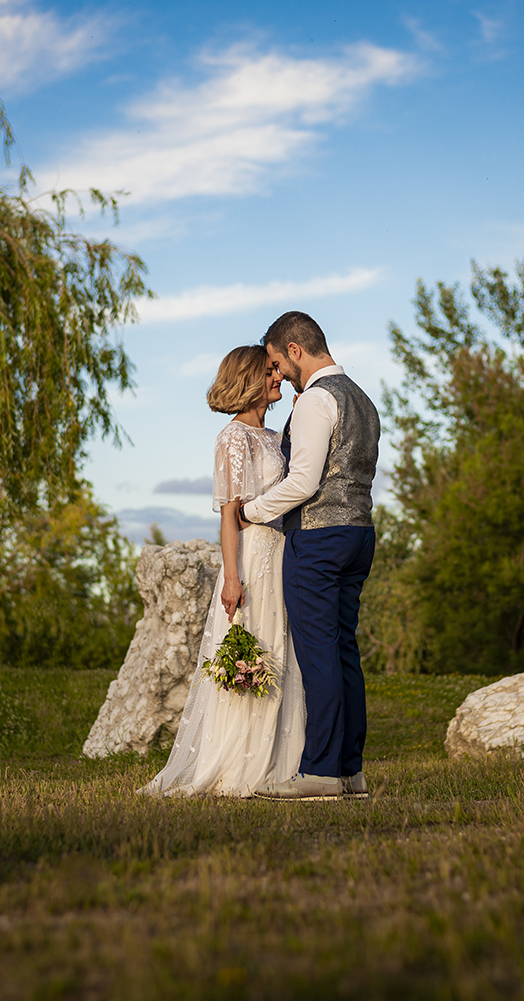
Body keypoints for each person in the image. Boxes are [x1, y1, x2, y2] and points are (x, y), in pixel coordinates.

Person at [142, 346, 306, 797]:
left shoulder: (274, 436)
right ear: (251, 378)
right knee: (251, 650)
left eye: (277, 369)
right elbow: (229, 514)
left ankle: (280, 761)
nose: (279, 376)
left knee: (281, 651)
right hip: (253, 557)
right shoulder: (232, 438)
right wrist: (231, 577)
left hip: (284, 554)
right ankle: (239, 763)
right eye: (271, 371)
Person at [242, 311, 380, 801]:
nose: (277, 373)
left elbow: (303, 482)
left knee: (319, 653)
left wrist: (251, 512)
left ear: (295, 350)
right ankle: (349, 772)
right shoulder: (361, 398)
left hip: (320, 538)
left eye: (278, 362)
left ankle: (320, 770)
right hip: (359, 533)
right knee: (343, 651)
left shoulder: (316, 400)